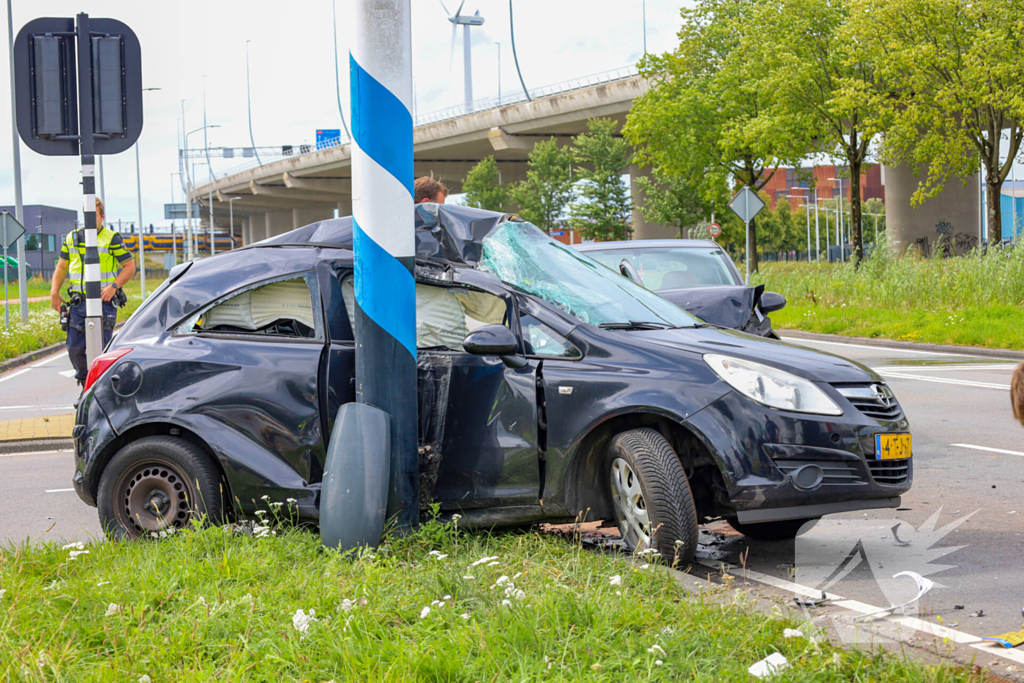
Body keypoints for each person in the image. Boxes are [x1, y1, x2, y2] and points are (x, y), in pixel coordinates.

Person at [50, 198, 136, 396]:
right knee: (74, 348)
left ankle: (103, 391)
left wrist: (114, 286)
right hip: (79, 302)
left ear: (102, 217)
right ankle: (85, 384)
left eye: (94, 216)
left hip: (104, 302)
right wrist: (54, 292)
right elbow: (62, 266)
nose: (89, 220)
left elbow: (130, 267)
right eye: (87, 216)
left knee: (102, 349)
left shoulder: (111, 238)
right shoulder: (72, 238)